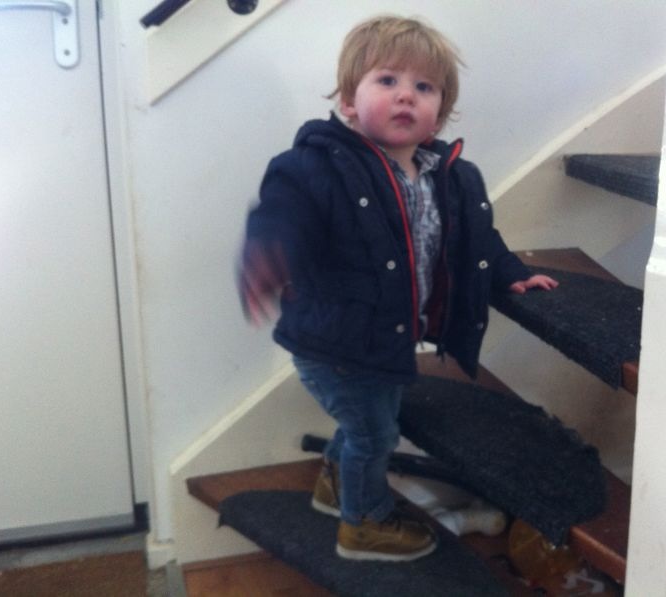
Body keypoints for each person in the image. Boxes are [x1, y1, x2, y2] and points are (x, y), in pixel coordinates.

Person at [239, 15, 558, 562]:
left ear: (439, 112)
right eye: (387, 80)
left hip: (384, 340)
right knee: (375, 435)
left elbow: (479, 238)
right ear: (348, 101)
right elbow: (284, 211)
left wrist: (509, 272)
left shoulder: (449, 175)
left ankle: (336, 484)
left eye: (424, 87)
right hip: (334, 344)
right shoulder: (317, 167)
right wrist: (268, 251)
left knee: (362, 421)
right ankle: (363, 524)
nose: (406, 95)